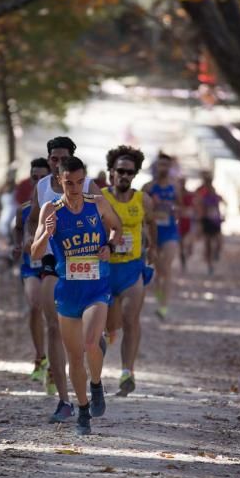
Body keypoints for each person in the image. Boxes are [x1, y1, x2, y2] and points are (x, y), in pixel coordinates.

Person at [31, 156, 122, 436]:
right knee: (74, 358)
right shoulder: (50, 209)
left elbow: (118, 228)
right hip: (68, 290)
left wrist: (108, 245)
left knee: (90, 342)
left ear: (85, 180)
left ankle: (96, 385)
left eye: (79, 182)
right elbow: (34, 253)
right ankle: (83, 410)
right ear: (58, 180)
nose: (74, 188)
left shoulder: (97, 203)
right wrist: (46, 234)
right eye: (68, 182)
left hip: (97, 286)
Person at [27, 136, 103, 423]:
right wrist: (28, 239)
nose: (57, 163)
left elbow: (105, 216)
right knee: (54, 328)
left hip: (86, 261)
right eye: (53, 159)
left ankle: (93, 366)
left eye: (62, 158)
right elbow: (33, 219)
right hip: (54, 261)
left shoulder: (87, 186)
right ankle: (64, 400)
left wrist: (107, 243)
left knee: (88, 337)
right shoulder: (42, 187)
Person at [102, 146, 156, 397]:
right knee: (109, 326)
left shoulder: (142, 200)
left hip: (133, 268)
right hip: (104, 269)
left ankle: (127, 372)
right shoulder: (101, 198)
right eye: (120, 171)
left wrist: (152, 249)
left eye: (130, 173)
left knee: (130, 319)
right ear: (111, 171)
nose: (125, 176)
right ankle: (96, 373)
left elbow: (152, 223)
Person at [12, 158, 50, 383]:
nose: (37, 182)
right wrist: (18, 244)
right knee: (35, 306)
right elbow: (18, 229)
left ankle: (55, 362)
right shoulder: (24, 210)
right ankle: (40, 356)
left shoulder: (58, 206)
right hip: (31, 267)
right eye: (34, 177)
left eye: (41, 178)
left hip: (54, 267)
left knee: (56, 315)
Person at [143, 152, 181, 319]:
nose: (162, 168)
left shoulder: (175, 187)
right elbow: (141, 211)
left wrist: (173, 210)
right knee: (159, 271)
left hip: (170, 232)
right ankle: (160, 295)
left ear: (170, 168)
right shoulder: (148, 188)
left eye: (165, 165)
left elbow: (180, 207)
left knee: (167, 268)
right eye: (159, 165)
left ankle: (164, 307)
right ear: (155, 167)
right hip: (154, 233)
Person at [195, 171, 224, 275]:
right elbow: (197, 204)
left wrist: (223, 215)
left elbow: (221, 202)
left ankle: (215, 255)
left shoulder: (213, 192)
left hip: (215, 219)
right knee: (208, 245)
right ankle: (210, 265)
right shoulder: (200, 191)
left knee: (219, 241)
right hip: (206, 220)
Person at [178, 176, 196, 271]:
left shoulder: (190, 194)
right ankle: (183, 260)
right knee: (181, 243)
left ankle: (186, 255)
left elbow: (195, 205)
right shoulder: (176, 195)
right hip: (180, 221)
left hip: (188, 220)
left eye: (183, 182)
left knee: (188, 242)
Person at [0, 170, 18, 246]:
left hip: (14, 210)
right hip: (5, 211)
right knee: (3, 227)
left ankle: (11, 243)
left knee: (11, 226)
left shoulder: (16, 187)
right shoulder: (3, 188)